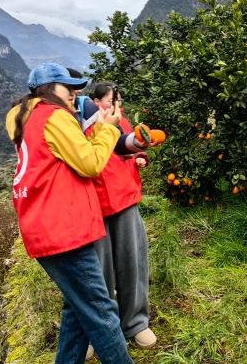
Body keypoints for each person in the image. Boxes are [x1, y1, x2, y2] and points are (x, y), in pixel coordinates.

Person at [5, 63, 134, 364]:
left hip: (43, 227)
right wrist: (106, 127)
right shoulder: (53, 116)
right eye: (68, 87)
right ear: (48, 89)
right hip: (64, 229)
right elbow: (89, 163)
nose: (75, 93)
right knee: (102, 313)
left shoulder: (26, 119)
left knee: (77, 309)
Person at [87, 82, 158, 349]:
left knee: (133, 261)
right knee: (97, 271)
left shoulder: (122, 121)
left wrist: (140, 152)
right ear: (94, 101)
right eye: (110, 100)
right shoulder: (78, 123)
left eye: (118, 100)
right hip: (91, 203)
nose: (115, 105)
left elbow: (127, 145)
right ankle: (100, 329)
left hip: (123, 197)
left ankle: (136, 322)